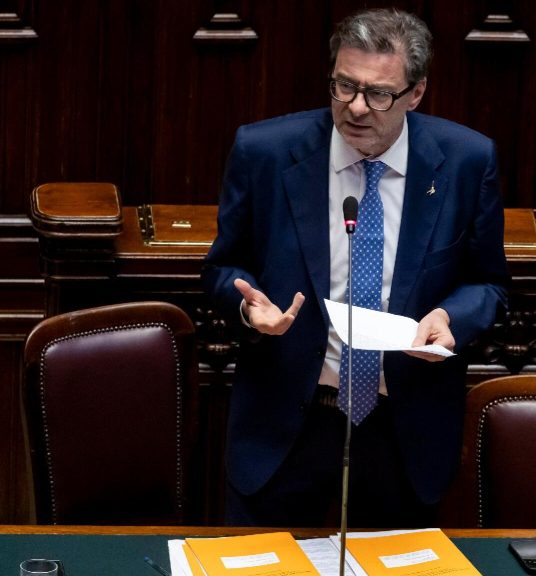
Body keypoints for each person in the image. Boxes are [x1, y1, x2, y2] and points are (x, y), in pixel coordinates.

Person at [202, 8, 508, 527]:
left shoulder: (466, 161)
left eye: (379, 93)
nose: (357, 107)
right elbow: (222, 266)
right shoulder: (265, 152)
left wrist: (450, 317)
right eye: (344, 86)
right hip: (285, 427)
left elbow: (489, 283)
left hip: (402, 432)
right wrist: (250, 307)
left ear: (416, 93)